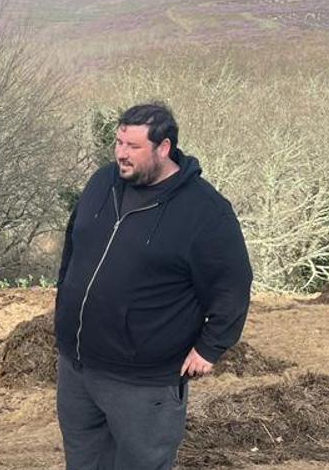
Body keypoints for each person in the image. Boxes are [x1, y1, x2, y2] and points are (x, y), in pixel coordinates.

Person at [54, 101, 253, 469]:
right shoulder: (102, 183)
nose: (121, 155)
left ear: (163, 147)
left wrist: (211, 347)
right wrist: (63, 305)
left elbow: (233, 284)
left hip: (143, 382)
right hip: (78, 368)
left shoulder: (205, 211)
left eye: (133, 147)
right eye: (118, 143)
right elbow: (73, 248)